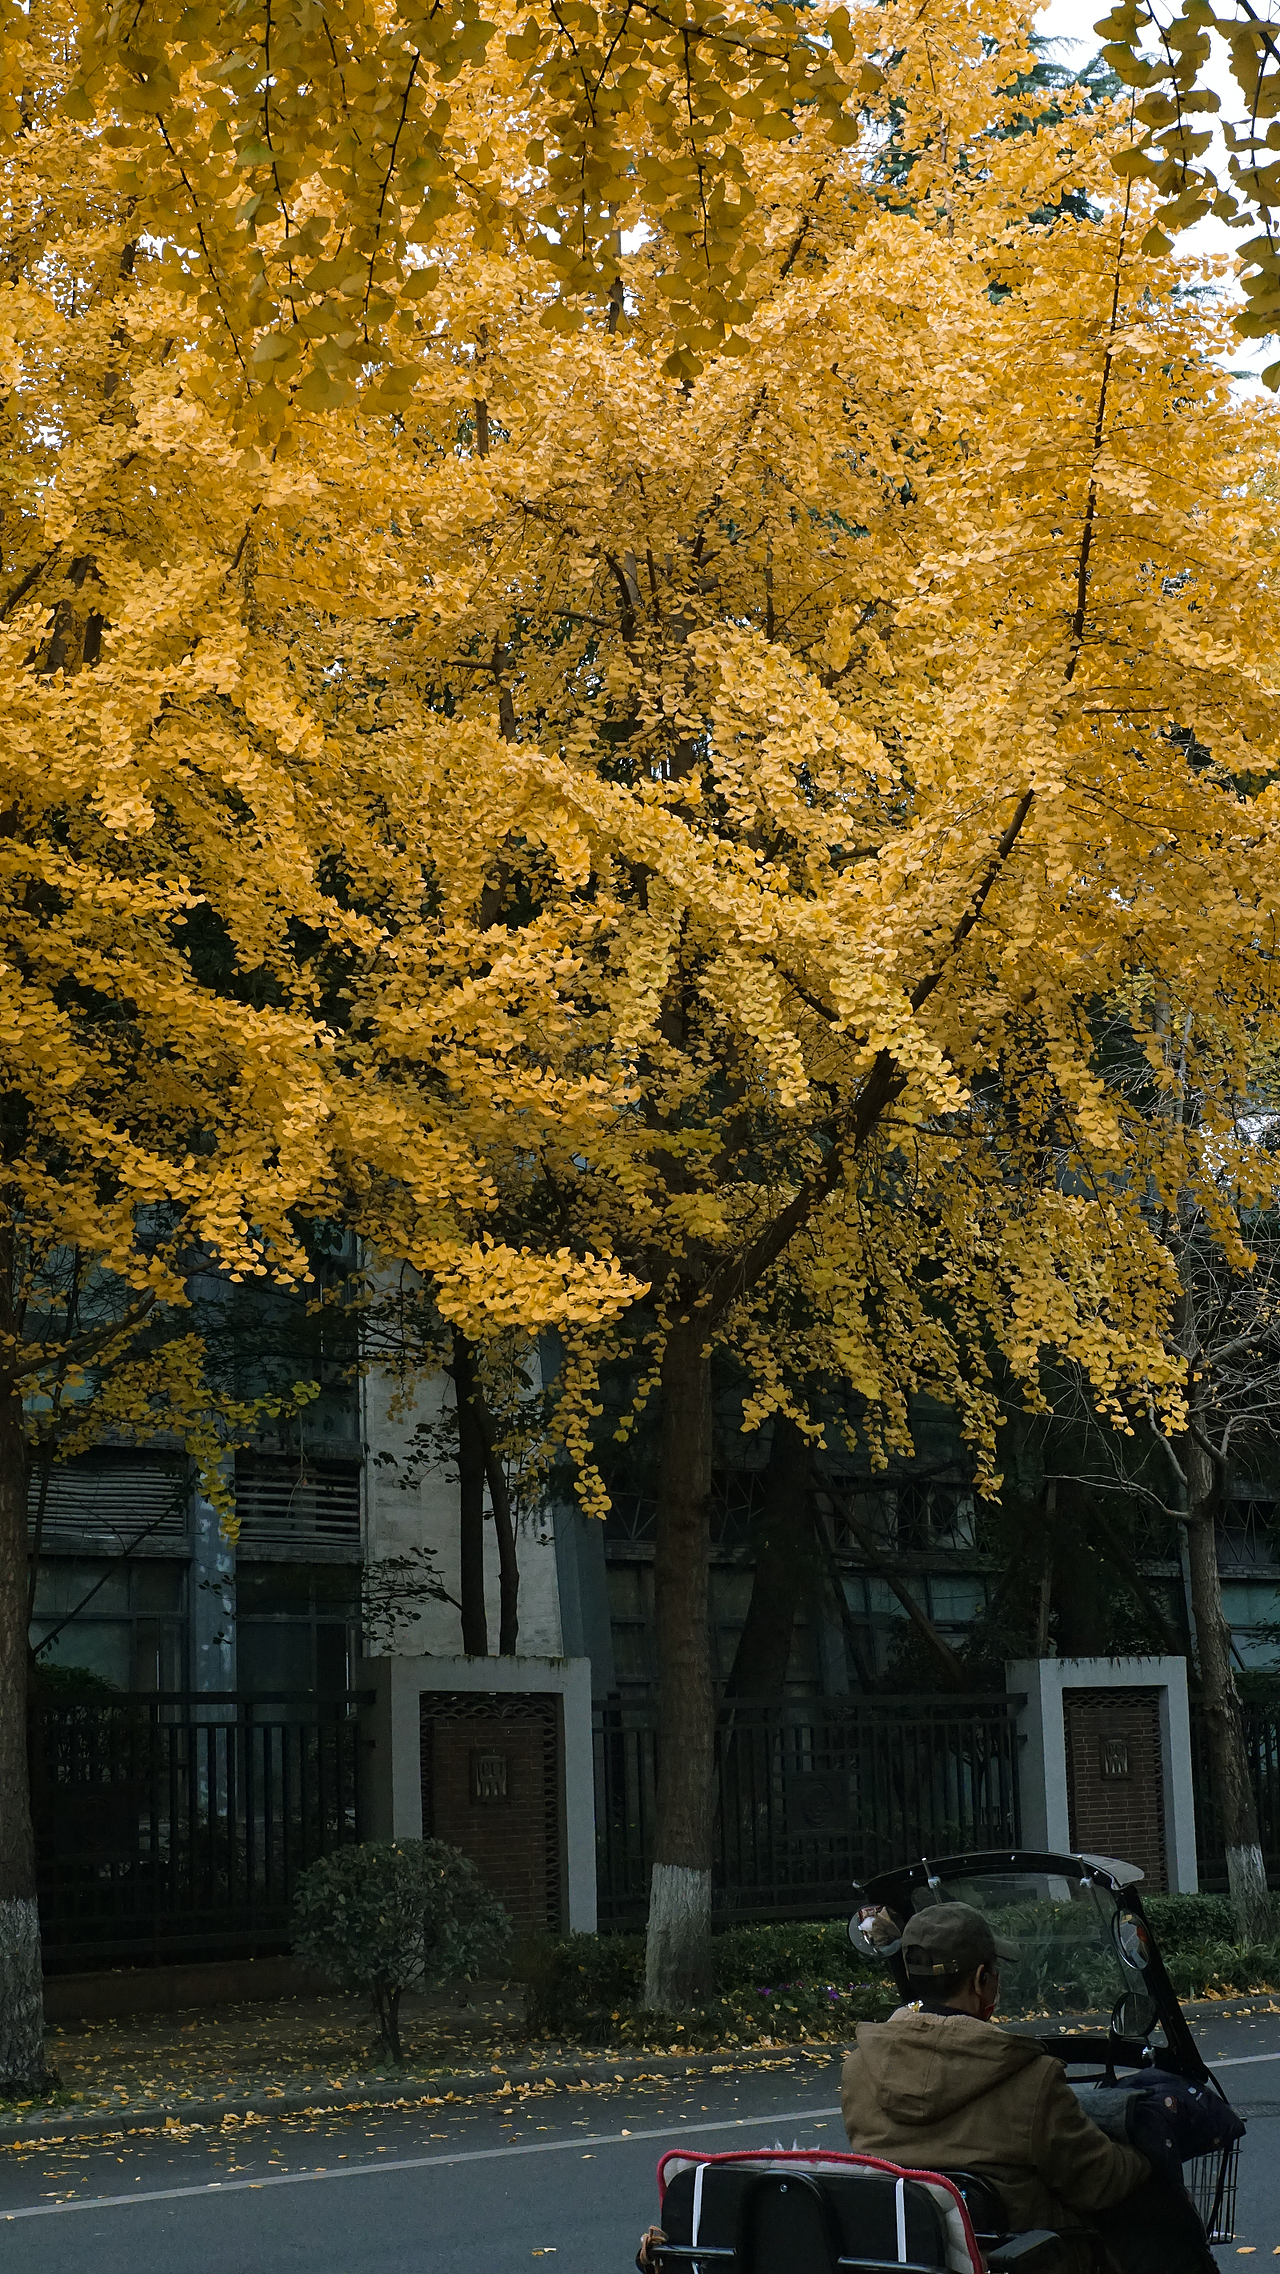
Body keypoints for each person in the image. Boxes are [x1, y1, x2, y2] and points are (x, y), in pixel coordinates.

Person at [840, 1902, 1217, 2274]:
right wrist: (1151, 2152)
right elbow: (1098, 2181)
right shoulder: (1029, 2076)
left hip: (916, 2256)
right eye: (996, 1972)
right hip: (1032, 2256)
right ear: (980, 1980)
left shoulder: (859, 2067)